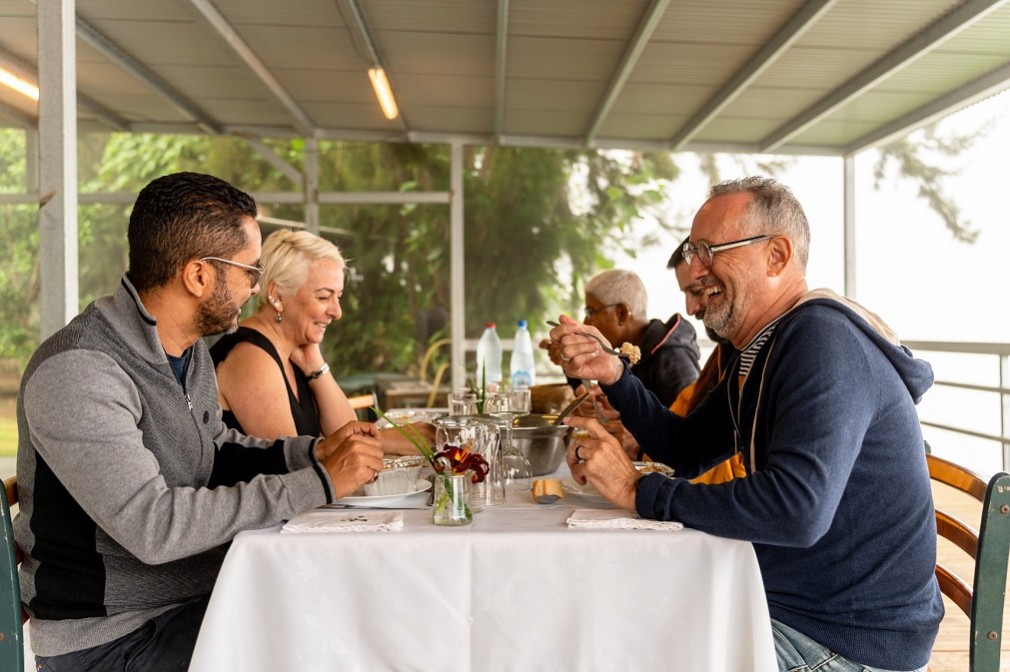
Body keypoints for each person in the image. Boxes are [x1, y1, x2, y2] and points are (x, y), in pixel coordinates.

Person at [551, 176, 942, 672]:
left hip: (842, 640)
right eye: (692, 252)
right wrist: (615, 374)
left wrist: (635, 490)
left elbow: (795, 511)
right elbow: (689, 449)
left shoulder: (822, 340)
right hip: (798, 605)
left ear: (776, 256)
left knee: (618, 646)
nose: (693, 277)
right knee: (613, 618)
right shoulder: (758, 350)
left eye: (708, 251)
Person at [14, 172, 385, 671]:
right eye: (250, 272)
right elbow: (154, 526)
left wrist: (315, 452)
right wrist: (317, 482)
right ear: (198, 276)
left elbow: (216, 451)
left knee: (354, 623)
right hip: (114, 638)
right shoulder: (80, 370)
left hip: (198, 599)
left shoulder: (190, 354)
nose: (255, 289)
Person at [210, 228, 433, 451]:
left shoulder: (293, 349)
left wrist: (315, 365)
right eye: (324, 297)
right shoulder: (252, 358)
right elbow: (294, 464)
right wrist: (389, 440)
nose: (337, 312)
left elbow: (345, 428)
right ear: (277, 295)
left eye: (338, 297)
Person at [539, 268, 700, 407]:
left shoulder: (672, 356)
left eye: (591, 312)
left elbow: (690, 430)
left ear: (621, 313)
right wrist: (570, 362)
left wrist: (634, 439)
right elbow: (599, 404)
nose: (585, 322)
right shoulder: (625, 357)